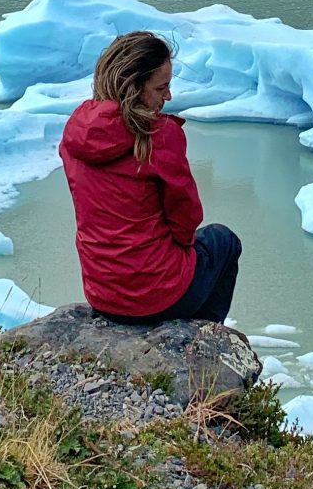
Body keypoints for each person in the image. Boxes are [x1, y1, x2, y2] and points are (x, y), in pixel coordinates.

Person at [60, 28, 241, 325]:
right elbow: (186, 221)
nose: (168, 96)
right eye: (161, 88)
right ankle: (204, 338)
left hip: (102, 294)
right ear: (133, 86)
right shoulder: (160, 135)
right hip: (157, 297)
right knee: (223, 240)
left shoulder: (75, 132)